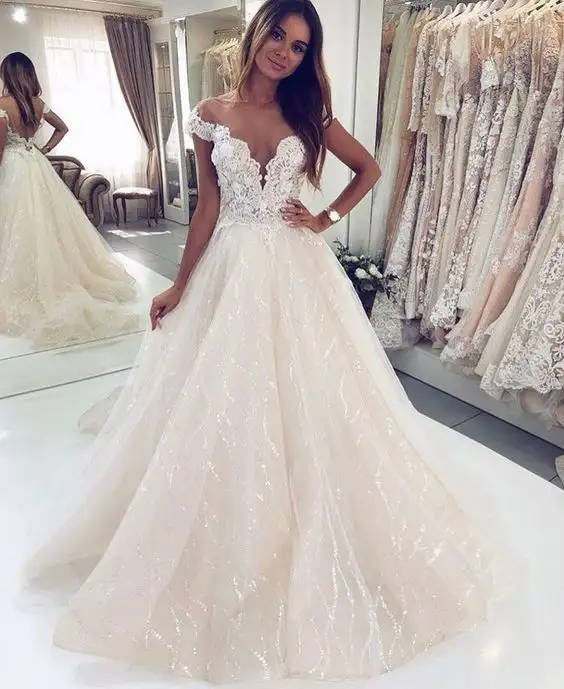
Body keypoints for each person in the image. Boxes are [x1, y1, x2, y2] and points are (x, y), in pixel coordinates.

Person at [28, 1, 508, 682]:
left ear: (308, 58)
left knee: (313, 399)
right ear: (256, 34)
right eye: (278, 34)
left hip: (294, 267)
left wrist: (324, 218)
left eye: (300, 45)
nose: (284, 50)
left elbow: (368, 170)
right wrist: (180, 285)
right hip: (229, 269)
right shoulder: (209, 113)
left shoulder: (309, 115)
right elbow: (208, 208)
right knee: (219, 399)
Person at [0, 52, 138, 347]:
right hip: (36, 165)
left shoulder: (2, 106)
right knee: (45, 226)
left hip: (13, 168)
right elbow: (62, 128)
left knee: (17, 226)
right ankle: (53, 277)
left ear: (6, 75)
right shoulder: (38, 104)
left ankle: (28, 283)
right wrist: (44, 149)